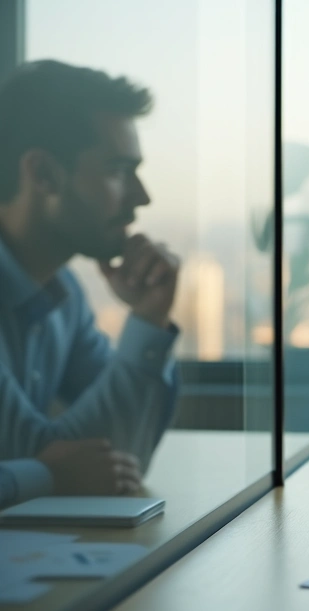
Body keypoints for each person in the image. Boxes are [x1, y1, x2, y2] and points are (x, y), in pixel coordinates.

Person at [0, 60, 179, 508]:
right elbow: (32, 456)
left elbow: (116, 462)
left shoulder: (63, 293)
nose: (142, 197)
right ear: (42, 174)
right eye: (119, 170)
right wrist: (46, 473)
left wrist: (149, 319)